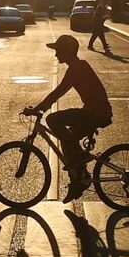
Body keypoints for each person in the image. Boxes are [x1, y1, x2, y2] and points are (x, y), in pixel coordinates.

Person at [23, 34, 113, 202]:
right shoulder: (78, 66)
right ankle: (77, 181)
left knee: (52, 120)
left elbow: (59, 91)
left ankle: (80, 158)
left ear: (67, 52)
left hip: (96, 114)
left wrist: (38, 109)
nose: (56, 55)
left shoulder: (77, 68)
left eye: (58, 51)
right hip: (95, 112)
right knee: (67, 139)